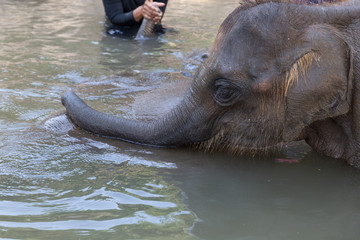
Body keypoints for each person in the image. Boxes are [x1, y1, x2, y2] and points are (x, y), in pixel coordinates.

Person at [102, 0, 168, 35]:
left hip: (151, 31)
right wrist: (141, 10)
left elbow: (158, 14)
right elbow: (115, 17)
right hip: (118, 32)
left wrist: (154, 12)